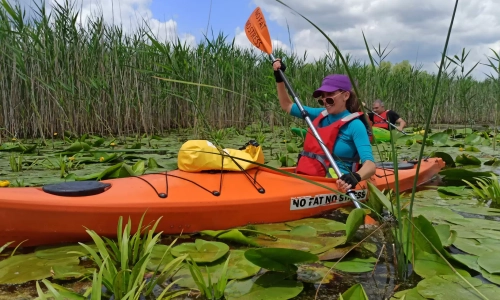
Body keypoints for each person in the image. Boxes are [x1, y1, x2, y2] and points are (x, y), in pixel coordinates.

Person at [272, 59, 376, 192]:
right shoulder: (321, 114)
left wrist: (356, 177)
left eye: (330, 97)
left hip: (338, 183)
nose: (325, 102)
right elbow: (287, 105)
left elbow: (370, 165)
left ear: (345, 95)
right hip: (310, 177)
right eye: (323, 98)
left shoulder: (355, 125)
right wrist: (279, 79)